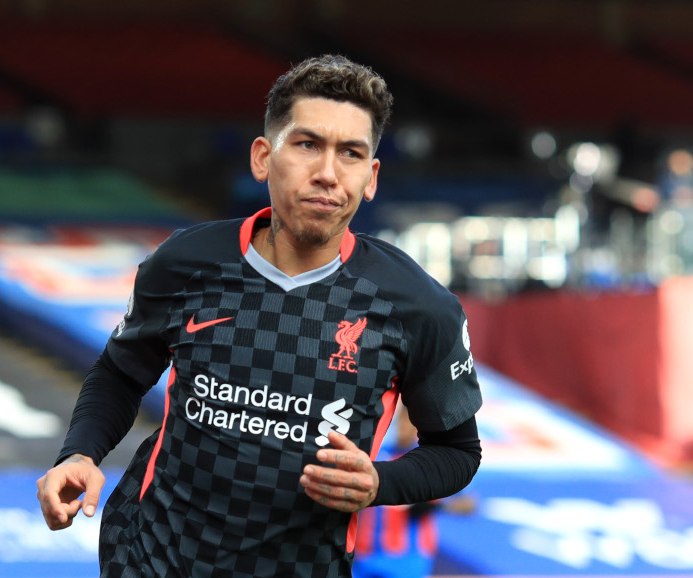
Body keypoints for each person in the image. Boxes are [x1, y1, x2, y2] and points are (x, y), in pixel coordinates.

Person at [37, 54, 483, 578]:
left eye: (351, 154)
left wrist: (381, 484)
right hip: (149, 557)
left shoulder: (416, 305)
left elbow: (457, 452)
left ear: (371, 177)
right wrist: (79, 453)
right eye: (308, 144)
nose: (327, 173)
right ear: (263, 157)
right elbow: (119, 372)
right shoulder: (185, 262)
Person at [352, 401, 478, 578]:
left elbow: (469, 504)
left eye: (412, 421)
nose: (406, 426)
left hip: (408, 559)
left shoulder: (433, 462)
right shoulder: (377, 453)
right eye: (404, 419)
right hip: (364, 554)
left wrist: (435, 505)